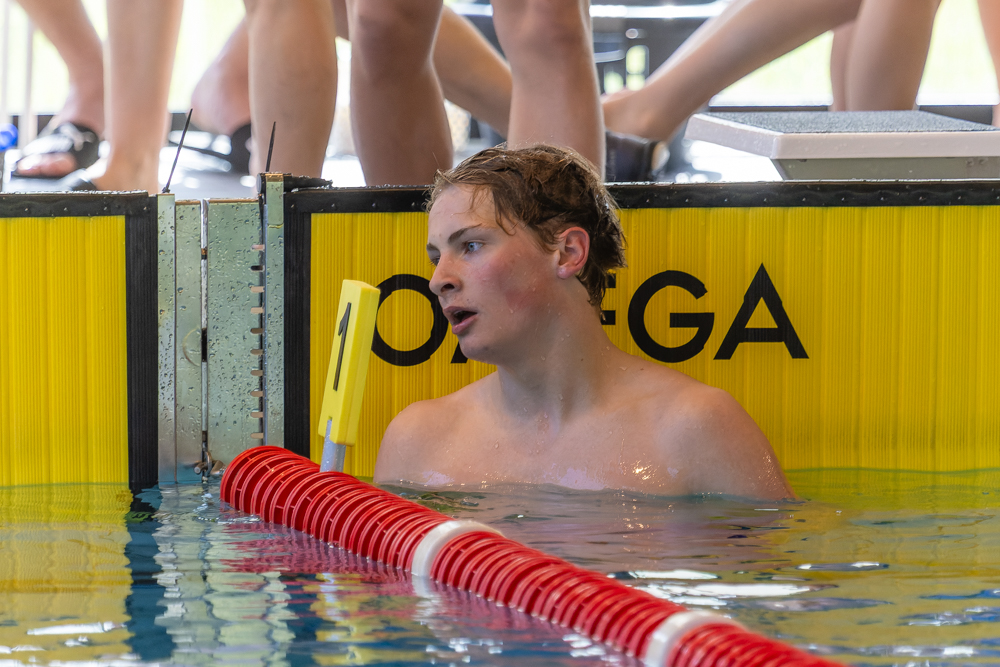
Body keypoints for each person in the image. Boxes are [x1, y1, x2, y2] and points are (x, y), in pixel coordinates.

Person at [373, 145, 794, 500]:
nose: (438, 280)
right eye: (436, 257)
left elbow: (770, 569)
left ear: (568, 252)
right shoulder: (417, 443)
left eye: (471, 245)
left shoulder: (695, 429)